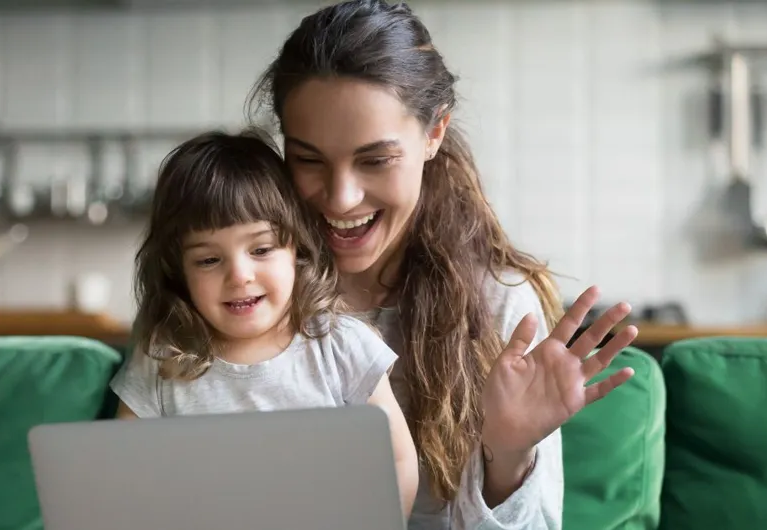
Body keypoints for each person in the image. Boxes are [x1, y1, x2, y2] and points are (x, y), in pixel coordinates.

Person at [246, 1, 639, 528]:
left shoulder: (499, 304)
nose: (340, 198)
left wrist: (509, 457)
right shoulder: (248, 292)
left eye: (375, 159)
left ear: (433, 134)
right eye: (309, 159)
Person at [110, 129, 420, 517]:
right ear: (178, 272)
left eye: (261, 249)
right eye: (208, 260)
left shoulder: (341, 346)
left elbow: (396, 462)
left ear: (296, 249)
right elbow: (122, 474)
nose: (239, 276)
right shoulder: (162, 357)